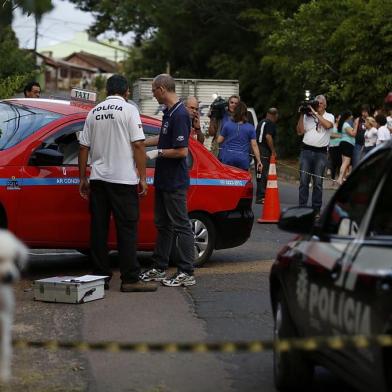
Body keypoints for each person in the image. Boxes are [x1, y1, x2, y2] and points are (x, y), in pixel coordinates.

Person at [78, 74, 157, 292]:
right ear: (127, 92)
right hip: (123, 180)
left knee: (98, 229)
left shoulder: (93, 112)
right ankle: (130, 279)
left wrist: (83, 178)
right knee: (127, 229)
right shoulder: (129, 110)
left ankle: (100, 276)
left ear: (107, 90)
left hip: (98, 179)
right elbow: (139, 145)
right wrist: (142, 177)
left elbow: (83, 147)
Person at [140, 74, 196, 287]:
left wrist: (157, 153)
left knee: (181, 225)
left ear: (162, 89)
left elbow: (182, 151)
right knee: (162, 225)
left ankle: (186, 271)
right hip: (163, 179)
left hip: (175, 181)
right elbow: (164, 138)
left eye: (154, 91)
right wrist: (141, 142)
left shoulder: (181, 114)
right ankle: (159, 267)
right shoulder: (169, 113)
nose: (153, 95)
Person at [296, 94, 334, 218]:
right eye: (316, 103)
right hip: (306, 151)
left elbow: (328, 126)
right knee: (303, 181)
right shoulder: (307, 116)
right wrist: (302, 113)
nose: (318, 105)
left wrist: (315, 114)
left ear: (325, 105)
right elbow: (299, 131)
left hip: (321, 153)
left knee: (318, 182)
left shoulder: (329, 116)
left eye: (320, 103)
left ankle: (316, 210)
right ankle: (302, 208)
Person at [217, 101, 262, 173]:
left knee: (228, 180)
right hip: (243, 159)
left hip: (228, 158)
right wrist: (259, 161)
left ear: (235, 112)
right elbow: (254, 145)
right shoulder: (250, 128)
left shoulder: (227, 125)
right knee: (242, 181)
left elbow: (219, 140)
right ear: (245, 113)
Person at [255, 107, 278, 204]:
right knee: (264, 173)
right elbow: (268, 136)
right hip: (264, 150)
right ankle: (261, 196)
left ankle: (260, 195)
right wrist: (273, 151)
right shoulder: (270, 123)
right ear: (275, 115)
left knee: (259, 173)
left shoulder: (261, 122)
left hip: (257, 149)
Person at [336, 110, 355, 185]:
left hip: (344, 143)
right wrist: (356, 126)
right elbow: (352, 133)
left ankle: (341, 178)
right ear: (348, 116)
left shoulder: (343, 124)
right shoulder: (346, 124)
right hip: (348, 143)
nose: (352, 117)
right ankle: (340, 178)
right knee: (346, 162)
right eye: (351, 115)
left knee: (344, 162)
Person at [328, 114, 342, 181]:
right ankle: (332, 180)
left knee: (340, 163)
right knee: (333, 164)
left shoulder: (342, 126)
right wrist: (339, 135)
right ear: (336, 119)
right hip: (332, 146)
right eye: (339, 118)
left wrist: (337, 135)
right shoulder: (332, 125)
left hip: (340, 147)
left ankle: (339, 180)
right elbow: (330, 135)